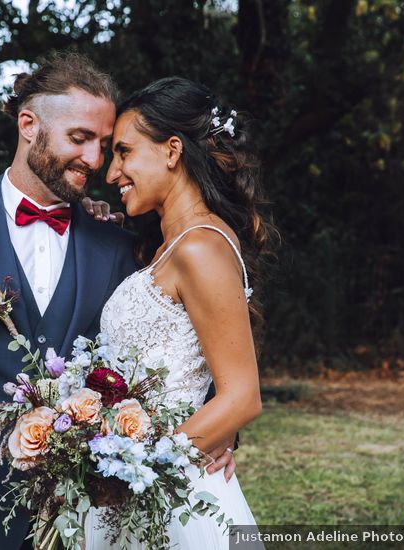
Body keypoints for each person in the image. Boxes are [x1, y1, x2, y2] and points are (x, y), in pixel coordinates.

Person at [0, 53, 237, 550]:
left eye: (105, 145)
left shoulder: (120, 248)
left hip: (88, 517)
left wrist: (220, 431)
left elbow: (182, 335)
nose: (95, 160)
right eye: (80, 139)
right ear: (28, 125)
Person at [84, 76, 270, 549]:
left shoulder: (201, 247)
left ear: (171, 151)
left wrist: (131, 468)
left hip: (177, 499)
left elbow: (242, 397)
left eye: (124, 152)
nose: (111, 173)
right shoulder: (171, 247)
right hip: (152, 483)